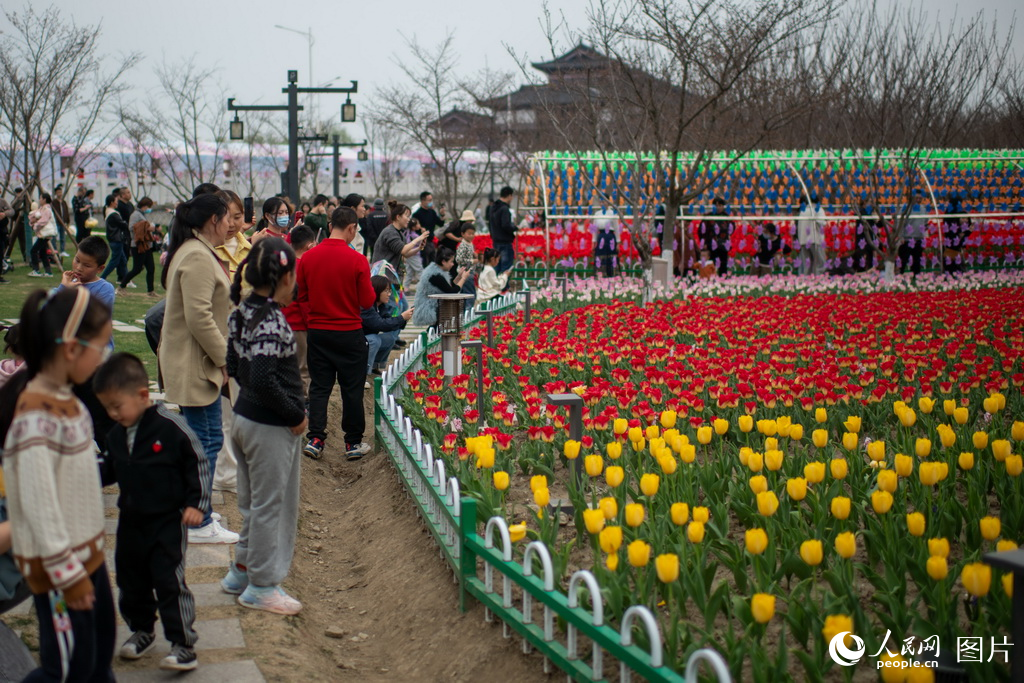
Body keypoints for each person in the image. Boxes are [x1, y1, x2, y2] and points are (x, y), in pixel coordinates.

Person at [0, 287, 116, 682]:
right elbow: (38, 507)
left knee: (96, 659)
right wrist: (68, 575)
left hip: (87, 557)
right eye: (100, 348)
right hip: (59, 570)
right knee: (66, 671)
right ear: (70, 349)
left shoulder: (70, 402)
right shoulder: (35, 418)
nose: (103, 357)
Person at [93, 353, 208, 671]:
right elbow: (110, 467)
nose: (112, 414)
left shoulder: (171, 428)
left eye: (117, 406)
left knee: (168, 580)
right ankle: (142, 630)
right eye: (107, 408)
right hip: (131, 521)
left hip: (167, 521)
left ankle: (183, 644)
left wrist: (196, 503)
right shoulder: (117, 434)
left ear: (143, 395)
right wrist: (85, 475)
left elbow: (197, 462)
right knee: (130, 579)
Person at [222, 236, 305, 615]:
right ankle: (262, 585)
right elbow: (263, 378)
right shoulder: (272, 321)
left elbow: (234, 366)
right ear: (284, 277)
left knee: (253, 503)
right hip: (269, 427)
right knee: (273, 506)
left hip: (244, 419)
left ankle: (240, 572)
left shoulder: (241, 312)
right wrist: (295, 415)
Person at [159, 193, 239, 544]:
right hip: (196, 364)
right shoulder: (196, 255)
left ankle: (195, 509)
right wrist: (224, 360)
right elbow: (199, 317)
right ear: (212, 220)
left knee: (204, 439)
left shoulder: (196, 251)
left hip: (197, 362)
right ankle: (199, 522)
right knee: (204, 442)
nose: (232, 225)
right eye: (228, 218)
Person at [298, 206, 375, 461]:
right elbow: (367, 301)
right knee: (351, 389)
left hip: (318, 332)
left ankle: (316, 439)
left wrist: (312, 320)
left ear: (330, 226)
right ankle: (352, 443)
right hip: (349, 332)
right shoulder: (357, 260)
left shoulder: (308, 258)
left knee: (320, 387)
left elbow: (302, 296)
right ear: (351, 228)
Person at [282, 225, 315, 400]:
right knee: (302, 367)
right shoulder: (304, 266)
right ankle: (300, 402)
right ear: (310, 245)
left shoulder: (283, 263)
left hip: (282, 321)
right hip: (299, 324)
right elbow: (305, 301)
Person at [362, 275, 413, 378]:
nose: (389, 294)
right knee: (374, 340)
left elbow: (388, 322)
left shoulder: (380, 305)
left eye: (390, 291)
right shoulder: (367, 305)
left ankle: (375, 366)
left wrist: (404, 319)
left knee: (389, 338)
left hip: (366, 338)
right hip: (356, 340)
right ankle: (363, 373)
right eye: (386, 291)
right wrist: (401, 318)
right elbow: (380, 324)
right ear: (377, 290)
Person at [411, 247, 472, 327]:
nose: (453, 264)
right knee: (436, 328)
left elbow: (448, 287)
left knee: (437, 328)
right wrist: (463, 278)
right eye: (451, 262)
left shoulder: (437, 270)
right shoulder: (435, 274)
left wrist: (459, 276)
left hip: (436, 305)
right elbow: (452, 292)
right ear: (443, 262)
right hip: (429, 307)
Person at [56, 236, 115, 313]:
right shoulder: (69, 284)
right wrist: (64, 287)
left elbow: (95, 316)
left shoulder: (104, 288)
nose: (79, 268)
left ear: (100, 268)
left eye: (87, 265)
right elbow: (48, 309)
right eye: (77, 260)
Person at [373, 202, 428, 283]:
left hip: (391, 278)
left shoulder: (400, 233)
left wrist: (419, 248)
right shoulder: (390, 232)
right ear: (398, 217)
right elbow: (403, 250)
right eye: (407, 216)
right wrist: (419, 238)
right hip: (383, 279)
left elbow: (406, 254)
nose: (409, 219)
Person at [120, 197, 160, 294]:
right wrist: (147, 228)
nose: (149, 209)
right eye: (149, 207)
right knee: (137, 269)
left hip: (147, 245)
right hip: (138, 245)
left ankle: (150, 291)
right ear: (145, 206)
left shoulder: (141, 214)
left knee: (151, 268)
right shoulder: (135, 215)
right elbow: (131, 227)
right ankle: (122, 286)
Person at [698, 197, 733, 276]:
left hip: (723, 245)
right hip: (711, 245)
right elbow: (701, 230)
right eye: (716, 205)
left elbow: (731, 228)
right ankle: (710, 279)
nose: (718, 207)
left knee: (723, 264)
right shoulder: (708, 216)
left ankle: (723, 279)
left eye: (720, 205)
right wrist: (704, 242)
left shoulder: (726, 217)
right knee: (711, 264)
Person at [100, 193, 130, 284]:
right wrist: (127, 223)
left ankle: (126, 280)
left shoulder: (108, 211)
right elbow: (123, 224)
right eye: (116, 201)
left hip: (114, 239)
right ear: (111, 202)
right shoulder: (113, 214)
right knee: (114, 261)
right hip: (116, 239)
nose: (117, 203)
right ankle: (102, 277)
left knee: (123, 260)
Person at [28, 192, 59, 278]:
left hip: (44, 234)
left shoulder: (46, 210)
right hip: (43, 234)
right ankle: (48, 272)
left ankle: (36, 270)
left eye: (41, 198)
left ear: (44, 199)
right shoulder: (42, 209)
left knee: (33, 250)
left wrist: (35, 226)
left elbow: (43, 221)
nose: (39, 200)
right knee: (42, 252)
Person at [488, 186, 517, 276]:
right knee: (506, 268)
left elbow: (490, 224)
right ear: (509, 196)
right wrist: (514, 228)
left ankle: (496, 284)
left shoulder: (492, 208)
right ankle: (504, 285)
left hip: (495, 241)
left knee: (497, 266)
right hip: (505, 242)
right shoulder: (504, 209)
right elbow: (505, 225)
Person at [796, 195, 825, 275]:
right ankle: (819, 279)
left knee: (807, 264)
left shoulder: (803, 211)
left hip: (803, 241)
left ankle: (806, 280)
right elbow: (822, 222)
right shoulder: (818, 210)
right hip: (815, 240)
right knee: (820, 263)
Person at [943, 195, 972, 275]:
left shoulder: (949, 213)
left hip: (952, 241)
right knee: (954, 262)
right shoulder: (953, 213)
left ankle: (951, 274)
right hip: (954, 242)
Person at [900, 192, 927, 275]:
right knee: (904, 259)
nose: (918, 200)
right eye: (916, 198)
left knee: (917, 259)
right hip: (907, 238)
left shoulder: (923, 209)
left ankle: (916, 276)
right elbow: (900, 222)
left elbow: (925, 222)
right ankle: (900, 276)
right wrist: (901, 236)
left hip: (919, 238)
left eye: (920, 198)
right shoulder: (905, 208)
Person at [456, 223, 478, 309]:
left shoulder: (469, 243)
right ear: (463, 234)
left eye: (473, 233)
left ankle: (464, 312)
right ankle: (468, 312)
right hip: (465, 272)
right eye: (469, 233)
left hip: (469, 271)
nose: (471, 236)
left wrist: (473, 254)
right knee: (470, 295)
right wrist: (472, 261)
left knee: (465, 294)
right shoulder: (463, 245)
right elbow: (459, 259)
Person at [594, 210, 618, 277]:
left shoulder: (612, 213)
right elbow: (595, 228)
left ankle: (612, 275)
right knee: (601, 257)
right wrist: (594, 241)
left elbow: (616, 228)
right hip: (601, 236)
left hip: (610, 236)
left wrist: (618, 241)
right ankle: (601, 275)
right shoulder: (597, 213)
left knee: (611, 257)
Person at [52, 185, 70, 257]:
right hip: (56, 222)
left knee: (63, 237)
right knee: (54, 238)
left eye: (60, 192)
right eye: (58, 192)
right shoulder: (54, 202)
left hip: (63, 222)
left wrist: (67, 221)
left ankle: (62, 250)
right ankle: (55, 251)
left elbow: (66, 212)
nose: (60, 194)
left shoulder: (63, 202)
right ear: (56, 193)